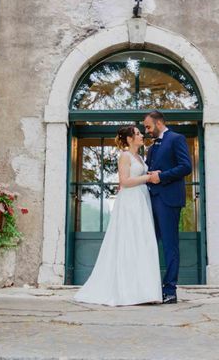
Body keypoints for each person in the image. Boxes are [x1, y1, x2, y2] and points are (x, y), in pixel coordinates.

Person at [73, 125, 162, 306]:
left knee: (142, 242)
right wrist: (148, 178)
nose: (141, 135)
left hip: (141, 200)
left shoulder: (139, 157)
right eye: (137, 134)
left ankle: (144, 290)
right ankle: (128, 291)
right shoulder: (125, 156)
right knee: (129, 241)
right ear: (129, 139)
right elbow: (125, 182)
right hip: (130, 201)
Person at [143, 110, 192, 304]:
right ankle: (151, 287)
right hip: (151, 199)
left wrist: (161, 176)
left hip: (169, 200)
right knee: (149, 243)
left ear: (159, 122)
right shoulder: (152, 146)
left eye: (148, 126)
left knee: (170, 246)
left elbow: (186, 166)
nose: (146, 130)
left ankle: (170, 289)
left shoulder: (176, 139)